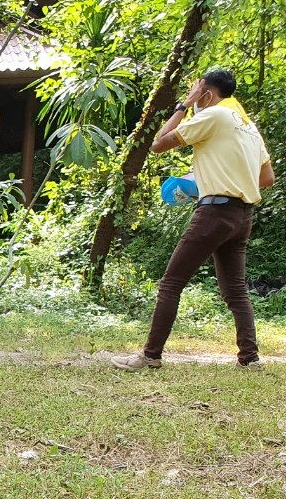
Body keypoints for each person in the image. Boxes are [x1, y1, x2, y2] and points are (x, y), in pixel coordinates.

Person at [112, 69, 274, 372]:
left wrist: (184, 104)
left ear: (207, 94)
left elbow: (159, 143)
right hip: (242, 216)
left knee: (171, 283)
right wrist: (219, 178)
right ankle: (250, 358)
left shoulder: (214, 115)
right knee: (236, 291)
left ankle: (150, 356)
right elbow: (267, 178)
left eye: (197, 91)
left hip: (214, 213)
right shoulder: (248, 127)